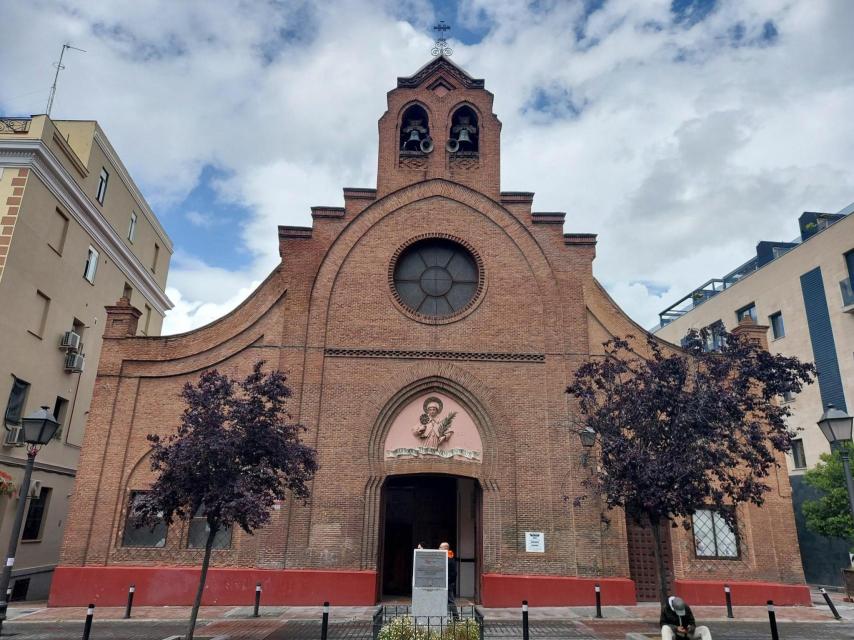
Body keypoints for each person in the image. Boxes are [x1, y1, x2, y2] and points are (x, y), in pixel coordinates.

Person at [438, 541, 458, 618]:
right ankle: (443, 616)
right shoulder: (443, 557)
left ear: (445, 548)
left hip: (448, 584)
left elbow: (454, 573)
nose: (439, 548)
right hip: (443, 583)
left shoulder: (450, 558)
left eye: (440, 547)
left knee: (450, 600)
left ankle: (456, 618)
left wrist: (448, 581)